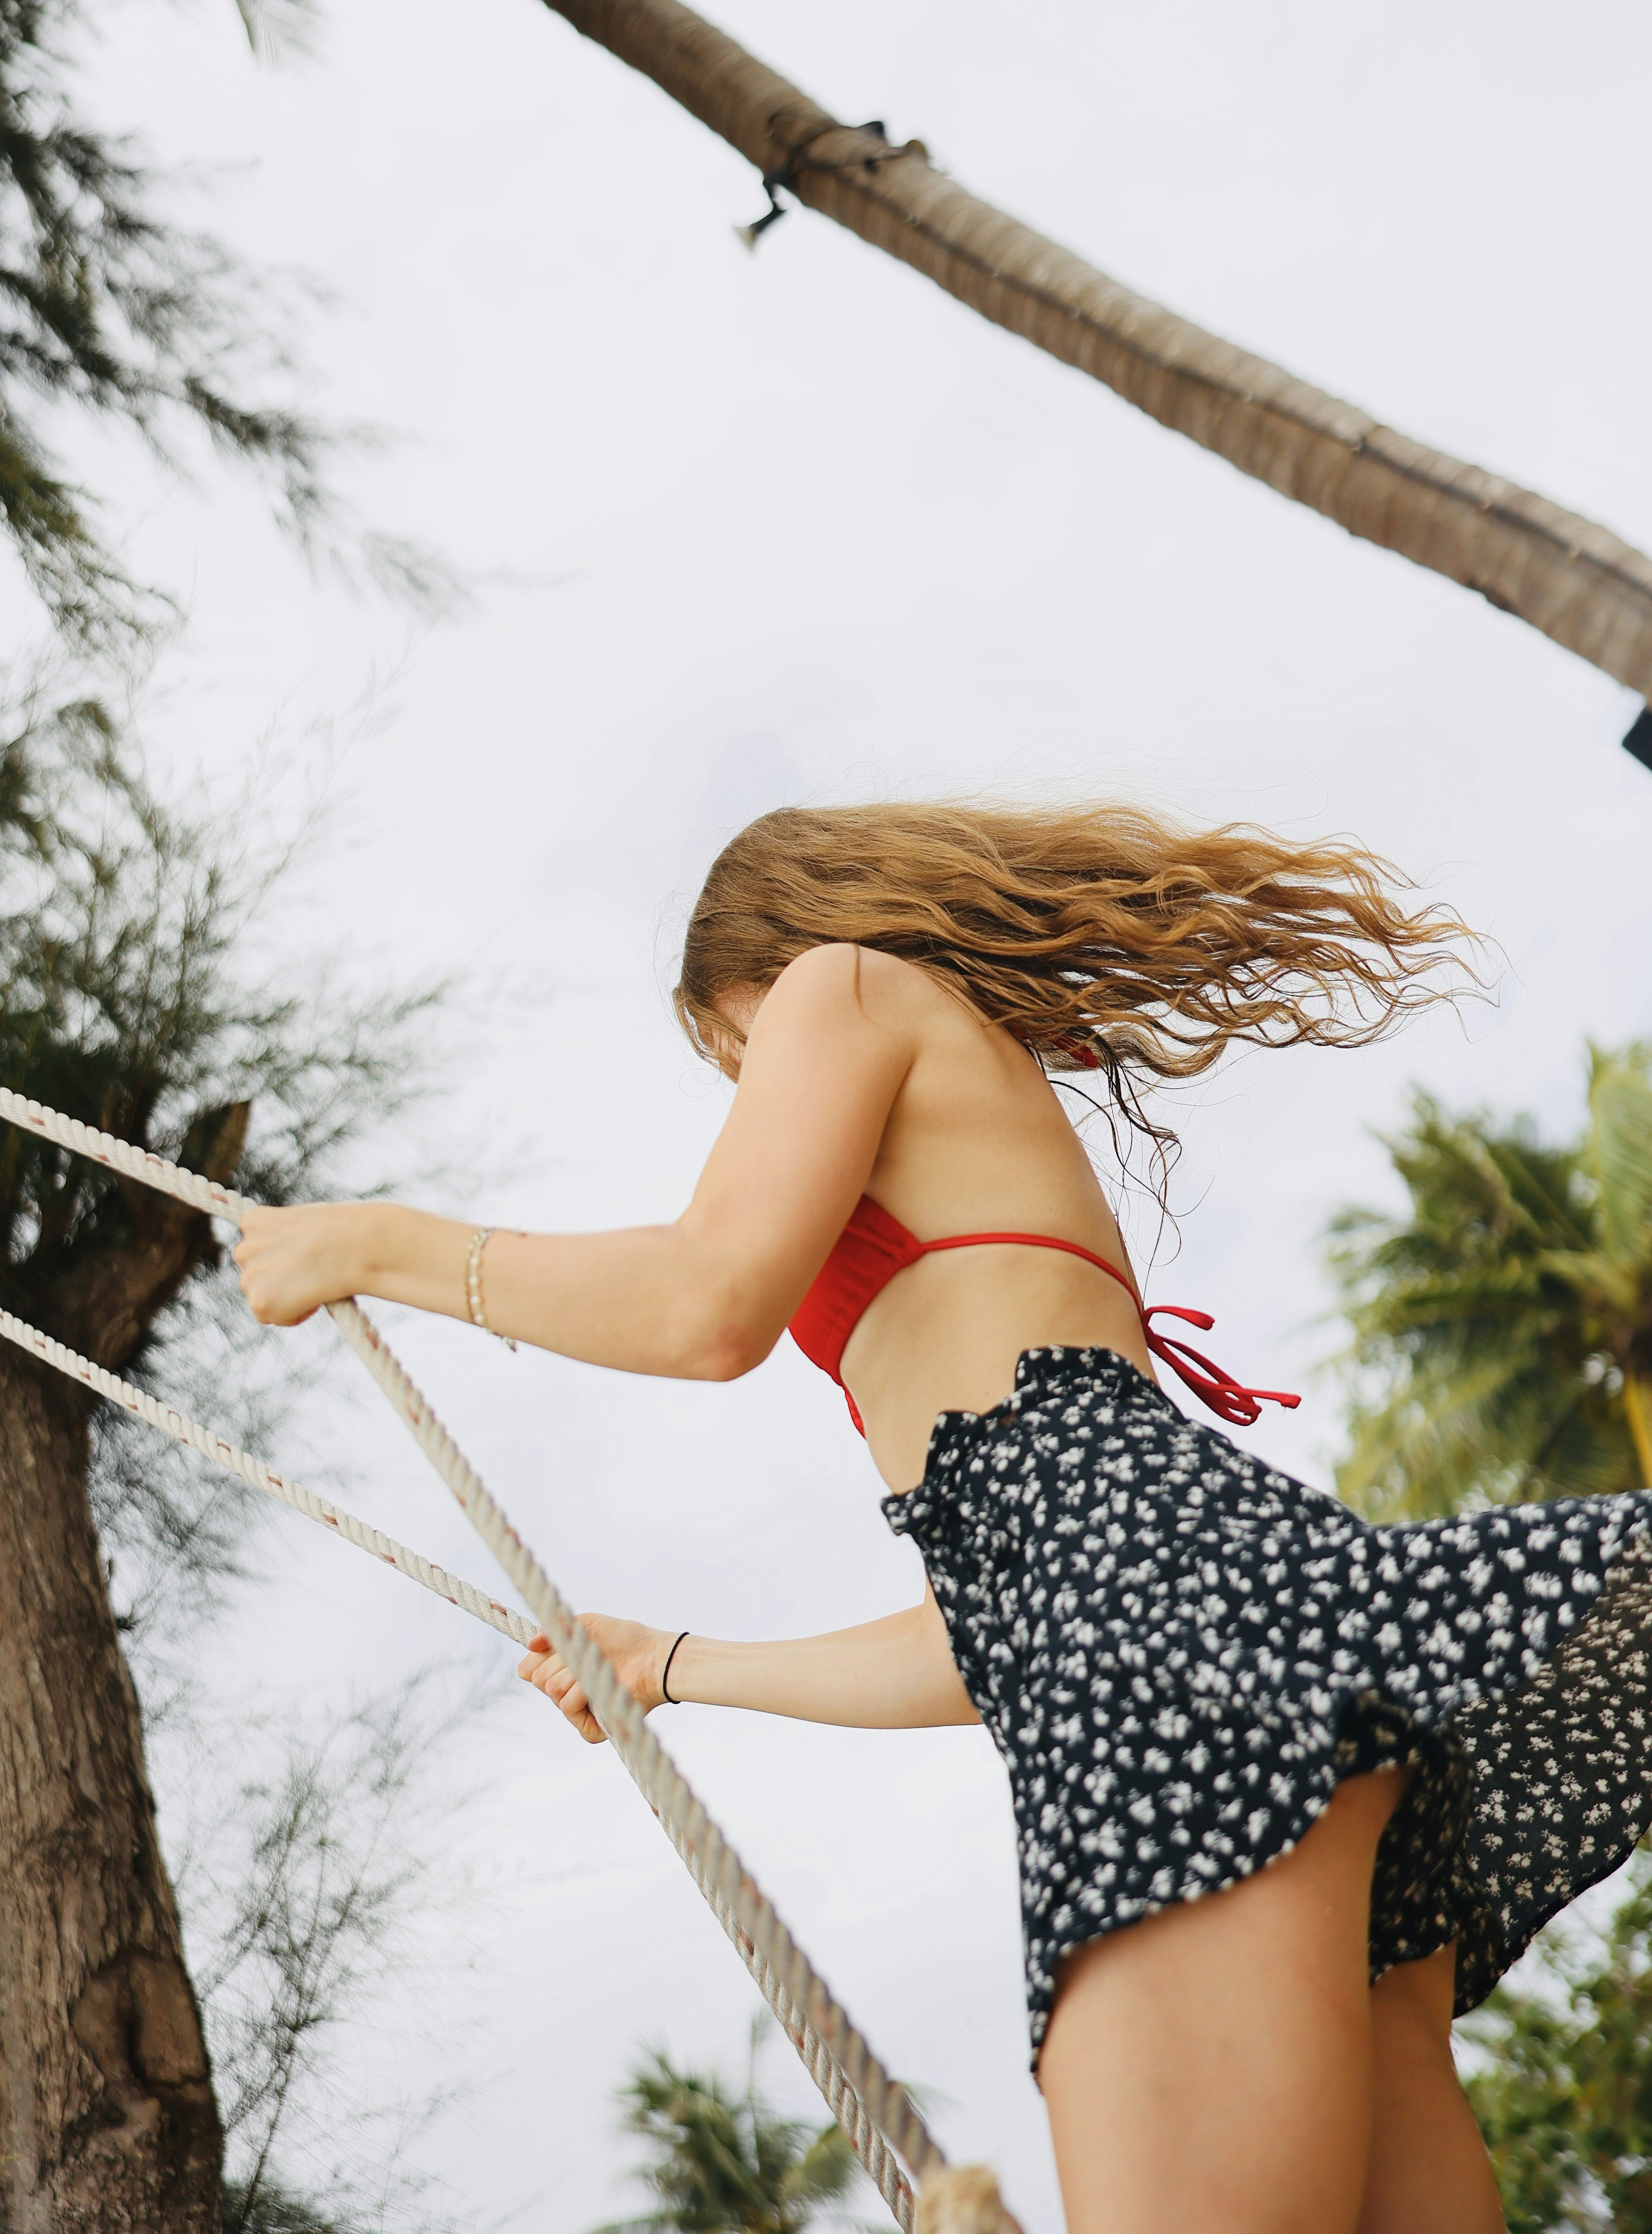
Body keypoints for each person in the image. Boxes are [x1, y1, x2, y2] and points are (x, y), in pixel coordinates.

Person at [234, 802, 1652, 2234]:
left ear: (761, 973)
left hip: (1157, 1672)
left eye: (732, 1060)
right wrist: (674, 1663)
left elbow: (707, 1300)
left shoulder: (835, 987)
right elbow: (1003, 1629)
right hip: (1223, 1639)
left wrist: (377, 1243)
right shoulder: (1011, 1266)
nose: (751, 1089)